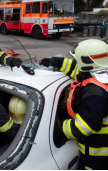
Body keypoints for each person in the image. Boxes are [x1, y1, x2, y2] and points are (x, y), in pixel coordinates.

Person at [41, 39, 108, 169]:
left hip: (97, 155)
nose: (76, 64)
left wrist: (60, 127)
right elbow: (77, 71)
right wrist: (54, 62)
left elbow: (86, 126)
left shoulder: (95, 94)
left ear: (88, 64)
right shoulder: (100, 73)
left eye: (78, 61)